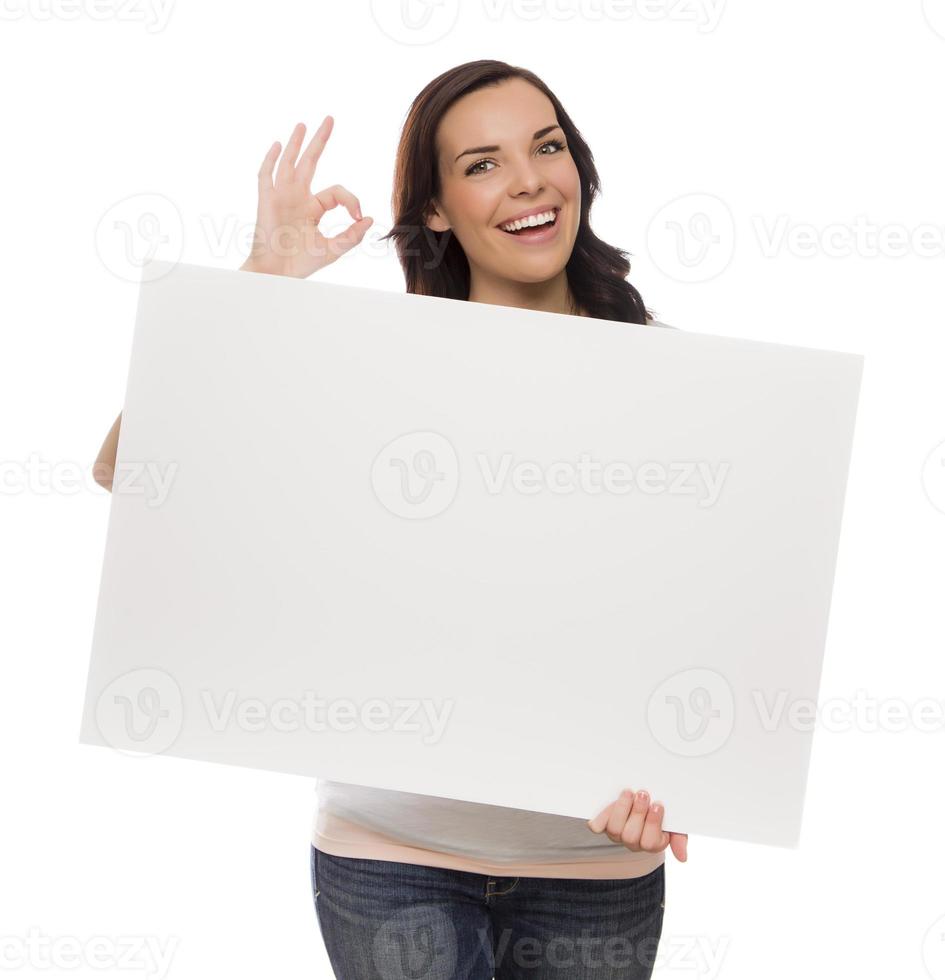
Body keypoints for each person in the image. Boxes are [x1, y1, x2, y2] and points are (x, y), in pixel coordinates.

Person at [94, 59, 688, 980]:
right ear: (437, 208)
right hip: (392, 855)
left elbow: (714, 610)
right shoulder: (366, 370)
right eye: (483, 163)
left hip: (596, 861)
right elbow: (127, 471)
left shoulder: (675, 378)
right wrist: (261, 283)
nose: (529, 179)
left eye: (547, 147)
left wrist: (697, 772)